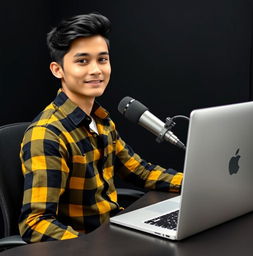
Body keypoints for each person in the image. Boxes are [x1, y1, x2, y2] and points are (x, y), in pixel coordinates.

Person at [19, 13, 183, 243]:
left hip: (115, 233)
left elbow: (141, 172)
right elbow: (35, 223)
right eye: (82, 61)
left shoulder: (101, 120)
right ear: (57, 70)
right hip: (88, 244)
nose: (96, 70)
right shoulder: (47, 134)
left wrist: (195, 184)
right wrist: (91, 249)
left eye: (102, 59)